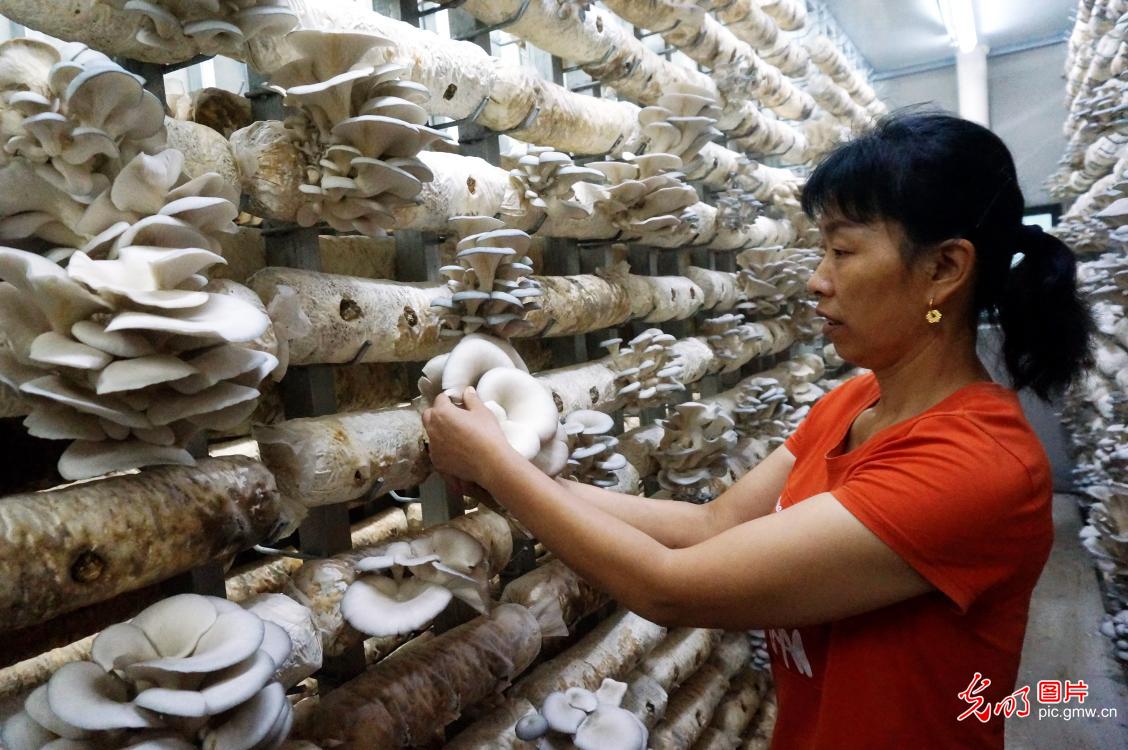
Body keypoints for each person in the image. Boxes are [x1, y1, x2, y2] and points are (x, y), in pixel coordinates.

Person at [421, 112, 1093, 749]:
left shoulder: (976, 465)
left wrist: (500, 469)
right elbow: (712, 525)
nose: (817, 281)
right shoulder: (857, 399)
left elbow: (670, 586)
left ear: (943, 269)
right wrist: (514, 473)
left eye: (842, 251)